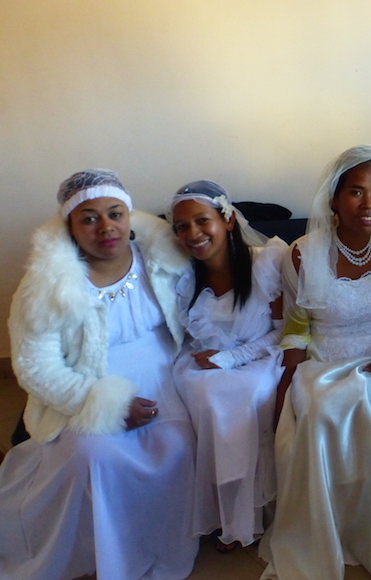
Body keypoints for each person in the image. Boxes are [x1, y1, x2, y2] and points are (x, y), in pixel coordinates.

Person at [0, 170, 199, 579]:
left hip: (164, 373)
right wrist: (103, 404)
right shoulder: (46, 285)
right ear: (71, 227)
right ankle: (105, 553)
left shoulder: (163, 258)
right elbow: (35, 366)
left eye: (115, 214)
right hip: (85, 384)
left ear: (129, 217)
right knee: (94, 457)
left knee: (178, 445)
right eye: (89, 218)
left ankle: (154, 542)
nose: (106, 227)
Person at [259, 145, 371, 580]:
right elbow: (296, 326)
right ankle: (323, 535)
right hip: (321, 360)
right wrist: (287, 381)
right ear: (334, 198)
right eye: (356, 192)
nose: (369, 204)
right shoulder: (302, 253)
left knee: (367, 403)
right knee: (318, 411)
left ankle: (368, 535)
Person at [170, 180, 287, 551]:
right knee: (202, 395)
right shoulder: (185, 280)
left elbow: (285, 334)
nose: (193, 233)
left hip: (260, 358)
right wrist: (215, 362)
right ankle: (217, 509)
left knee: (245, 393)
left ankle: (247, 510)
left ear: (228, 220)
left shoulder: (265, 263)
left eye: (202, 221)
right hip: (204, 365)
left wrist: (232, 358)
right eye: (182, 227)